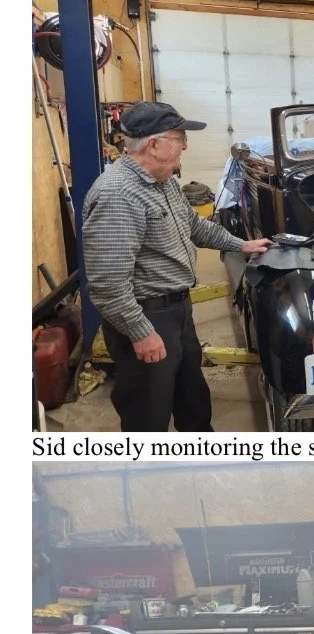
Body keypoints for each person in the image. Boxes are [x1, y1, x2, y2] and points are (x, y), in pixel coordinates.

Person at [81, 102, 271, 431]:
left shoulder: (163, 180)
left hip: (177, 310)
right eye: (180, 138)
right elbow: (108, 285)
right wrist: (141, 333)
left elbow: (193, 225)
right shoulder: (118, 195)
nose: (185, 146)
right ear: (154, 145)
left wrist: (240, 244)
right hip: (146, 316)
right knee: (147, 416)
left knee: (192, 401)